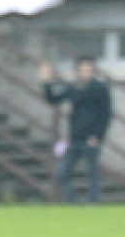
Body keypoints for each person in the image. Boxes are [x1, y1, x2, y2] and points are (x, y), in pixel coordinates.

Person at [42, 58, 111, 204]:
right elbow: (54, 99)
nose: (86, 72)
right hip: (74, 138)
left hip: (91, 139)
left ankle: (94, 204)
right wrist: (46, 82)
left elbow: (106, 115)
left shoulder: (100, 89)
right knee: (62, 173)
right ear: (78, 71)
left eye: (89, 70)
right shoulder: (74, 88)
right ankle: (72, 203)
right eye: (83, 70)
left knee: (93, 174)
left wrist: (97, 136)